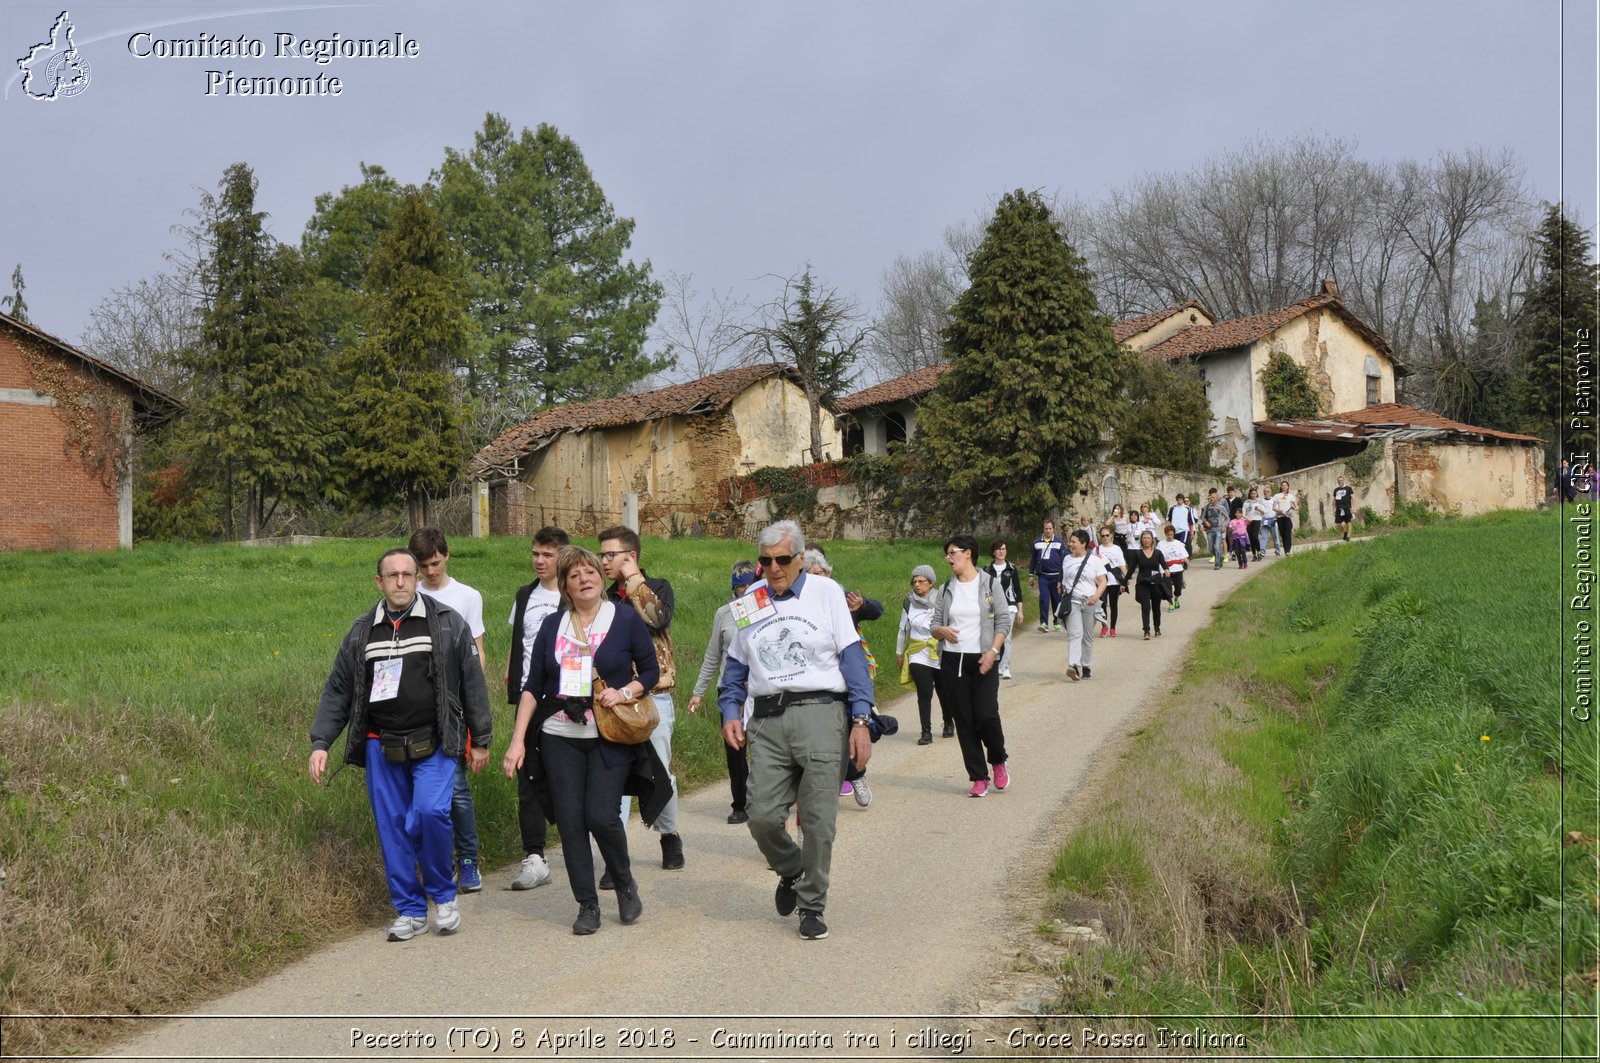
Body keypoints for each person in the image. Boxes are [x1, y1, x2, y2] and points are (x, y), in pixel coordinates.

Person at [309, 548, 493, 942]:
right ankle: (410, 911)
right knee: (393, 828)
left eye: (407, 574)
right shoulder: (362, 632)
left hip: (436, 742)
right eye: (392, 575)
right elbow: (338, 690)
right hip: (382, 745)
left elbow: (472, 682)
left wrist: (481, 739)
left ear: (416, 579)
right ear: (379, 582)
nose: (400, 581)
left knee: (429, 814)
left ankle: (443, 898)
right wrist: (321, 741)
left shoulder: (446, 623)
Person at [717, 520, 875, 941]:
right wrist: (730, 709)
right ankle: (792, 869)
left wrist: (860, 720)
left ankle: (811, 904)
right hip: (767, 718)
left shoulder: (827, 593)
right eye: (766, 560)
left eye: (782, 559)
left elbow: (852, 659)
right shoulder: (751, 598)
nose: (773, 568)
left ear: (800, 559)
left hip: (822, 713)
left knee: (819, 821)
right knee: (762, 816)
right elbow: (735, 667)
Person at [503, 545, 664, 935]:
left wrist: (624, 692)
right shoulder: (551, 627)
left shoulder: (623, 619)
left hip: (609, 734)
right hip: (560, 735)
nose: (584, 579)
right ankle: (587, 904)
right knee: (571, 822)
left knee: (600, 815)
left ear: (599, 577)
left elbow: (650, 670)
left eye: (590, 572)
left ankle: (624, 883)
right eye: (574, 576)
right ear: (564, 586)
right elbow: (532, 687)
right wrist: (517, 741)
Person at [597, 526, 685, 871]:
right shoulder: (603, 599)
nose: (604, 561)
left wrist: (633, 579)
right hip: (614, 701)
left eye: (611, 555)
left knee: (659, 772)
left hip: (654, 697)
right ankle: (615, 857)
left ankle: (669, 835)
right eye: (601, 554)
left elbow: (657, 617)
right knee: (613, 777)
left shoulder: (658, 588)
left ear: (630, 556)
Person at [408, 528, 488, 894]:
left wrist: (474, 704)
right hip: (415, 709)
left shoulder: (467, 597)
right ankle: (430, 865)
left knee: (456, 788)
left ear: (447, 555)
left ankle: (468, 859)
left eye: (435, 563)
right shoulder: (410, 593)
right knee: (419, 796)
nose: (430, 571)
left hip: (454, 708)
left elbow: (478, 651)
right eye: (423, 566)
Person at [503, 525, 569, 890]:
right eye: (535, 554)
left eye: (547, 554)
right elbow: (520, 640)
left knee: (567, 776)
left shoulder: (576, 594)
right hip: (530, 701)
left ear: (562, 555)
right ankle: (535, 856)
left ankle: (591, 844)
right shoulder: (525, 594)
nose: (539, 561)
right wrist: (512, 673)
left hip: (565, 702)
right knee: (527, 777)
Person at [930, 534, 1013, 798]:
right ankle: (978, 776)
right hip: (953, 660)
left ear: (968, 553)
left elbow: (1003, 621)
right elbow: (933, 626)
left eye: (952, 552)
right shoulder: (945, 589)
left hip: (984, 658)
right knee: (964, 720)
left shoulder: (990, 584)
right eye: (947, 553)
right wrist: (941, 630)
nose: (948, 558)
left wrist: (993, 651)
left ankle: (998, 759)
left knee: (986, 715)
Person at [803, 548, 882, 807]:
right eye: (811, 574)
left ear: (828, 572)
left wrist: (863, 605)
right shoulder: (803, 603)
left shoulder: (842, 597)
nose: (818, 578)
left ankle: (857, 775)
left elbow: (877, 610)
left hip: (849, 676)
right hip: (820, 679)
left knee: (850, 726)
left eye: (820, 573)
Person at [687, 561, 760, 824]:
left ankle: (765, 801)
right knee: (735, 750)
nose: (746, 590)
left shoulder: (768, 609)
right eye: (741, 586)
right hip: (730, 692)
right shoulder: (724, 614)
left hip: (760, 691)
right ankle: (740, 804)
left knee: (764, 749)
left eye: (751, 584)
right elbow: (712, 655)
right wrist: (698, 691)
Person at [896, 564, 948, 744]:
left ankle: (948, 722)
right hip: (918, 652)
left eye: (921, 581)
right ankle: (926, 732)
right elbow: (903, 629)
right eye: (914, 581)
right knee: (924, 693)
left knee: (944, 691)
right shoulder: (908, 602)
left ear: (931, 583)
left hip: (940, 651)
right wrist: (899, 653)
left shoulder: (942, 600)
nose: (917, 585)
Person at [1058, 530, 1107, 681]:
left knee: (1087, 635)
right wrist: (1061, 586)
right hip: (1073, 601)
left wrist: (1096, 597)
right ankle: (1073, 666)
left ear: (1083, 543)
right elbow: (1064, 579)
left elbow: (1103, 581)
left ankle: (1086, 665)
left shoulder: (1095, 561)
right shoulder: (1067, 559)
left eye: (1074, 542)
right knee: (1075, 633)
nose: (1070, 544)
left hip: (1090, 601)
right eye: (1070, 542)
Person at [984, 539, 1023, 679]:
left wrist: (1020, 610)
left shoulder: (1011, 568)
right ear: (993, 551)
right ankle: (996, 664)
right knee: (993, 636)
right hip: (991, 607)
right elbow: (983, 589)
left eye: (1004, 549)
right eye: (999, 549)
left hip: (1009, 606)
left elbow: (1017, 590)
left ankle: (1005, 666)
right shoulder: (987, 569)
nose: (1001, 552)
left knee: (1006, 636)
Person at [1129, 530, 1170, 639]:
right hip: (1143, 583)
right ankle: (1146, 630)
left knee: (1156, 608)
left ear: (1152, 540)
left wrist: (1166, 570)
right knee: (1145, 607)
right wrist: (1124, 582)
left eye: (1148, 538)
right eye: (1144, 538)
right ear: (1141, 540)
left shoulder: (1158, 553)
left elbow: (1164, 565)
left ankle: (1157, 628)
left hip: (1156, 583)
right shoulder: (1137, 553)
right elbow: (1131, 569)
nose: (1146, 540)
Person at [1028, 518, 1065, 632]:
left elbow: (1064, 560)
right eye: (1046, 529)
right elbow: (1033, 560)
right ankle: (1044, 623)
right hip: (1043, 576)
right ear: (1043, 529)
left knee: (1056, 599)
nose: (1048, 531)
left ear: (1053, 529)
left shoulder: (1059, 542)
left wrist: (1063, 577)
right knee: (1044, 599)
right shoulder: (1037, 542)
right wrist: (1031, 575)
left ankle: (1057, 621)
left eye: (1050, 528)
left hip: (1056, 576)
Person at [1093, 526, 1126, 637]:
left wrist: (1124, 581)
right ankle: (1104, 626)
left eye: (1107, 535)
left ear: (1111, 535)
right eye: (1103, 536)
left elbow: (1122, 565)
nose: (1105, 537)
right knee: (1102, 604)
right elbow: (1091, 566)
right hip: (1101, 581)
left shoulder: (1117, 549)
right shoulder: (1096, 550)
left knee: (1113, 605)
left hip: (1114, 581)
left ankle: (1112, 627)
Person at [1158, 523, 1190, 610]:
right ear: (1165, 534)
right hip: (1166, 569)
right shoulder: (1161, 544)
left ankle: (1176, 599)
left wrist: (1186, 560)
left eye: (1171, 534)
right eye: (1168, 534)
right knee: (1167, 588)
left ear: (1174, 534)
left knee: (1178, 588)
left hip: (1177, 568)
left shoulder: (1178, 543)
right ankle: (1170, 603)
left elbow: (1184, 556)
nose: (1170, 536)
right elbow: (1158, 557)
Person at [1201, 488, 1229, 570]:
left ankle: (1217, 564)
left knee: (1217, 547)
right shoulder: (1206, 507)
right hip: (1210, 531)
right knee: (1210, 549)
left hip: (1218, 530)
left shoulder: (1221, 507)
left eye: (1213, 497)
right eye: (1210, 497)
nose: (1211, 499)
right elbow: (1202, 517)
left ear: (1217, 498)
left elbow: (1228, 518)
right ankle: (1221, 558)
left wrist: (1224, 526)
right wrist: (1206, 522)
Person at [1272, 480, 1298, 554]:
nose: (1284, 486)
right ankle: (1286, 549)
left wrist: (1294, 507)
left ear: (1288, 487)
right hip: (1280, 517)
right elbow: (1273, 508)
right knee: (1283, 534)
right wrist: (1281, 511)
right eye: (1283, 485)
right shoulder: (1277, 496)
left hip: (1288, 517)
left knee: (1288, 533)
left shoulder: (1291, 496)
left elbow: (1296, 506)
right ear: (1281, 486)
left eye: (1285, 485)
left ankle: (1287, 551)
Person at [1244, 487, 1267, 561]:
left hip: (1257, 520)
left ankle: (1259, 552)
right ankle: (1254, 555)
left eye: (1254, 493)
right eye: (1252, 494)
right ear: (1250, 494)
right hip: (1249, 521)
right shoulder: (1246, 502)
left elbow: (1263, 512)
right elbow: (1243, 513)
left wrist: (1258, 509)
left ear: (1257, 494)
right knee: (1250, 538)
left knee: (1255, 536)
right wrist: (1247, 519)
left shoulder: (1260, 501)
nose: (1253, 495)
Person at [1333, 475, 1355, 541]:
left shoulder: (1348, 488)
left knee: (1348, 522)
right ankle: (1345, 532)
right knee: (1338, 524)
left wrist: (1353, 507)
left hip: (1347, 508)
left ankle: (1348, 537)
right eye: (1339, 481)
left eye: (1341, 480)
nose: (1340, 482)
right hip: (1339, 509)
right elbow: (1334, 500)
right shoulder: (1336, 490)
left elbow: (1353, 498)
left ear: (1343, 480)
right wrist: (1333, 509)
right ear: (1337, 482)